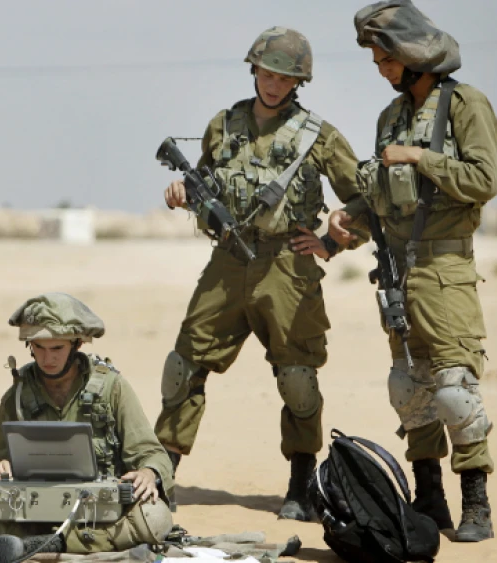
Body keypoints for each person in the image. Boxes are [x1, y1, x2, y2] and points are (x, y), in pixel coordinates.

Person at [152, 27, 367, 521]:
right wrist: (181, 194)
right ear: (254, 70)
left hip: (288, 267)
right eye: (268, 73)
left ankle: (300, 482)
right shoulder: (222, 125)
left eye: (285, 77)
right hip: (227, 263)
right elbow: (200, 182)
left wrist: (333, 240)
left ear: (299, 81)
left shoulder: (320, 135)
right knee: (184, 367)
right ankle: (162, 473)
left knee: (297, 378)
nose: (274, 84)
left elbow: (365, 198)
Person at [327, 0, 497, 542]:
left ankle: (477, 504)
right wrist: (340, 227)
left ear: (410, 54)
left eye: (385, 59)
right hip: (399, 275)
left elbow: (484, 180)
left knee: (454, 389)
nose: (380, 69)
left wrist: (419, 158)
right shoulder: (391, 118)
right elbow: (382, 199)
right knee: (411, 390)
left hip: (446, 269)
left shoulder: (465, 105)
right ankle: (431, 500)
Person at [0, 293, 174, 563]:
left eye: (57, 348)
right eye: (39, 347)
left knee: (155, 518)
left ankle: (44, 544)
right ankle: (48, 542)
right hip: (33, 506)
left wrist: (148, 471)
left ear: (78, 344)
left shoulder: (112, 388)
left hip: (98, 511)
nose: (47, 358)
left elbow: (150, 451)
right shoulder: (17, 395)